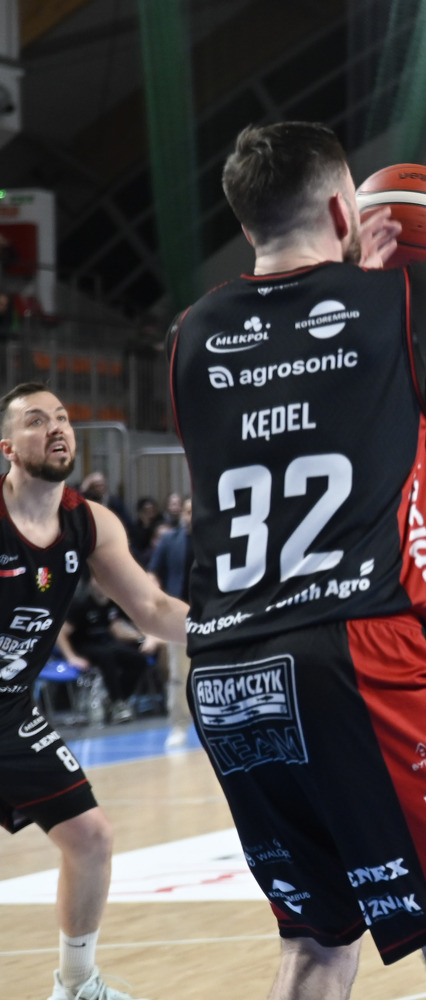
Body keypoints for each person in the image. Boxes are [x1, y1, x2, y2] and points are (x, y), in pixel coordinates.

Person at [167, 121, 426, 1000]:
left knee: (317, 942)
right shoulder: (402, 300)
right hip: (356, 653)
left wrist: (359, 289)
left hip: (227, 672)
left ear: (245, 222)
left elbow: (305, 377)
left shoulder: (191, 333)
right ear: (345, 211)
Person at [0, 383, 189, 1000]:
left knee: (91, 836)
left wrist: (234, 629)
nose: (56, 427)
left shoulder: (89, 522)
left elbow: (152, 608)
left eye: (62, 417)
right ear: (8, 447)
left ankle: (77, 986)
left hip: (10, 711)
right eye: (36, 421)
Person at [56, 578, 159, 725]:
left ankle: (118, 699)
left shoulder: (111, 603)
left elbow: (116, 628)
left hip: (105, 643)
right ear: (92, 583)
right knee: (106, 656)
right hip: (83, 645)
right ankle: (117, 702)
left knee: (138, 659)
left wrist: (141, 637)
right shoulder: (81, 603)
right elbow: (61, 634)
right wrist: (71, 657)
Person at [147, 497, 193, 746]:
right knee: (178, 674)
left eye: (194, 511)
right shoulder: (169, 540)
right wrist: (157, 601)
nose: (191, 515)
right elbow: (153, 574)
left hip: (211, 614)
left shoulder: (215, 538)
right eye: (187, 511)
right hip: (178, 617)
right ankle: (179, 726)